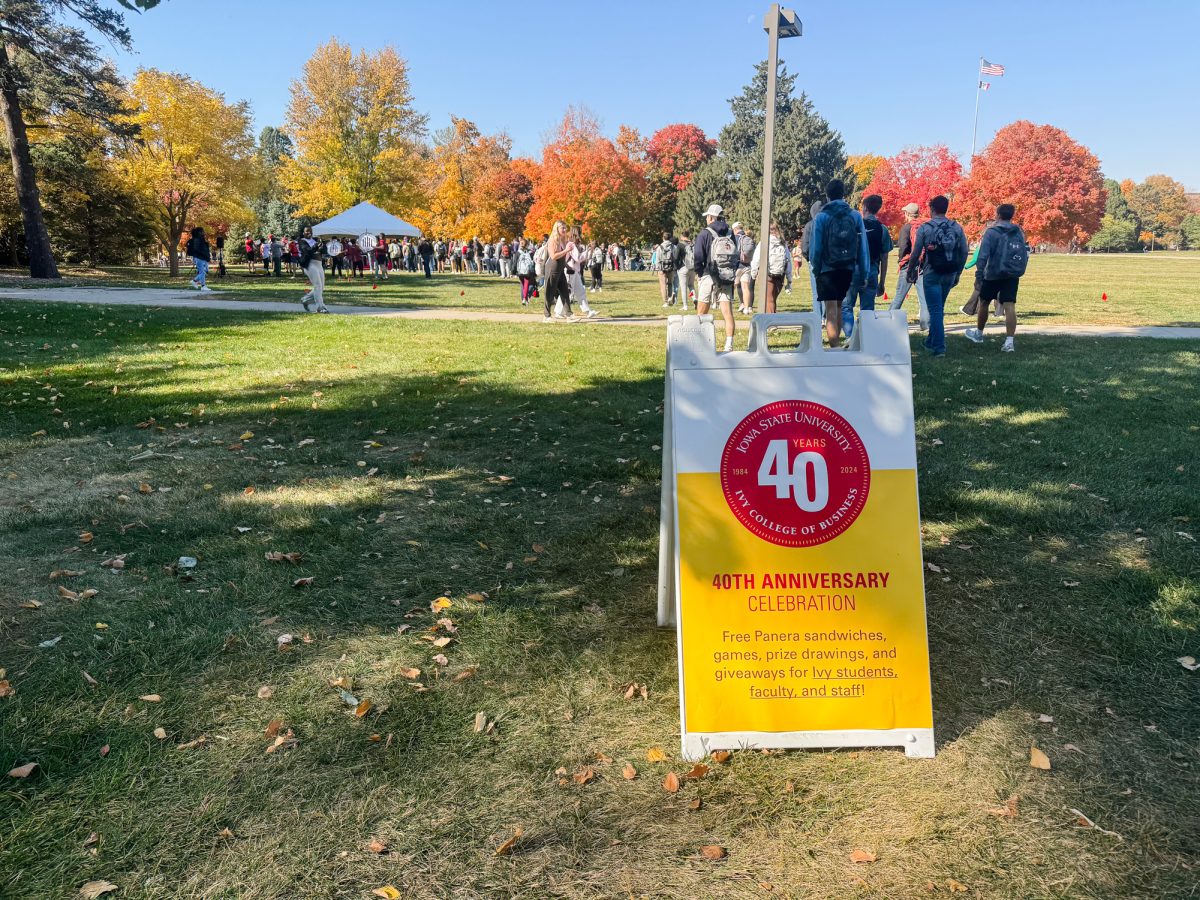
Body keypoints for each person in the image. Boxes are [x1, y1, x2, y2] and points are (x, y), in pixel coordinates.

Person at [807, 179, 869, 346]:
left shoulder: (821, 217)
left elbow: (816, 248)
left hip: (827, 268)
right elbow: (863, 247)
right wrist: (864, 272)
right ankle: (839, 346)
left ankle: (834, 348)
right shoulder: (855, 215)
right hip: (847, 267)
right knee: (840, 306)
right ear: (843, 194)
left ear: (827, 195)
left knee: (830, 310)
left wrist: (816, 268)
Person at [905, 194, 968, 356]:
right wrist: (958, 272)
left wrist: (911, 270)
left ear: (932, 209)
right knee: (938, 308)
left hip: (932, 272)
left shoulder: (925, 228)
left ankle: (939, 347)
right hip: (950, 272)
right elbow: (964, 251)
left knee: (935, 310)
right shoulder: (956, 227)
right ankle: (930, 341)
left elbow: (916, 252)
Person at [963, 203, 1027, 352]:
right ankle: (1009, 341)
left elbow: (983, 255)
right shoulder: (1018, 231)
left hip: (992, 273)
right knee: (1009, 305)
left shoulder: (991, 232)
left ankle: (979, 333)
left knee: (984, 302)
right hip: (1011, 273)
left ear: (998, 215)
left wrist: (979, 274)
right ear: (1012, 215)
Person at [841, 194, 893, 338]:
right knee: (867, 310)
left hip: (852, 271)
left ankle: (850, 338)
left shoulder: (852, 226)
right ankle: (865, 339)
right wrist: (882, 282)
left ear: (864, 207)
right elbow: (885, 257)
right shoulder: (882, 230)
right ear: (878, 209)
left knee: (846, 306)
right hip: (871, 271)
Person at [693, 204, 739, 351]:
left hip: (708, 274)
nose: (707, 219)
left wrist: (699, 273)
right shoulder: (730, 233)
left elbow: (698, 256)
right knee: (727, 312)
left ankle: (699, 342)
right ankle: (729, 343)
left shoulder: (704, 233)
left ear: (711, 217)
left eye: (707, 216)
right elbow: (735, 254)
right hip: (726, 275)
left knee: (701, 311)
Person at [889, 203, 929, 330]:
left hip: (907, 266)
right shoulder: (925, 227)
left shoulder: (906, 228)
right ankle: (925, 325)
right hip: (922, 266)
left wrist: (901, 261)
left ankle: (888, 321)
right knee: (924, 300)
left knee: (899, 297)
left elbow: (903, 247)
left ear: (907, 214)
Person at [750, 222, 790, 314]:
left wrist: (753, 273)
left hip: (767, 273)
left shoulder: (764, 242)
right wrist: (789, 278)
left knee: (769, 299)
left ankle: (771, 322)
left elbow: (756, 259)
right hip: (780, 274)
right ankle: (771, 318)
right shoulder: (783, 243)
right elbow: (788, 260)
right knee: (773, 299)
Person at [564, 226, 598, 318]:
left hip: (574, 271)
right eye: (580, 232)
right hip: (570, 271)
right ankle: (559, 311)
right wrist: (587, 251)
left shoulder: (573, 244)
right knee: (568, 292)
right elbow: (578, 258)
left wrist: (589, 251)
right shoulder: (571, 244)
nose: (581, 234)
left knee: (580, 291)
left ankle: (587, 311)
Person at [542, 221, 572, 322]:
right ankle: (546, 316)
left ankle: (569, 315)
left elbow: (563, 257)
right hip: (552, 269)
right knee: (549, 292)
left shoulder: (563, 239)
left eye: (565, 228)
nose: (565, 230)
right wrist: (566, 250)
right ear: (557, 229)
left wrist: (567, 266)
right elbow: (554, 256)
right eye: (562, 228)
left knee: (565, 292)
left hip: (560, 269)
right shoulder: (552, 240)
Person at [800, 201, 824, 316]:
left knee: (816, 292)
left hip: (814, 261)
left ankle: (818, 316)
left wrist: (808, 258)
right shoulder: (827, 223)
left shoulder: (809, 225)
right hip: (827, 261)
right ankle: (826, 315)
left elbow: (805, 246)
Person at [297, 227, 329, 313]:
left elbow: (324, 251)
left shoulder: (315, 240)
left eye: (310, 231)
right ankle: (320, 307)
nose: (309, 232)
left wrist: (323, 246)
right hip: (310, 264)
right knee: (317, 285)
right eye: (307, 231)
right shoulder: (302, 241)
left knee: (321, 287)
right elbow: (307, 251)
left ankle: (305, 299)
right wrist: (316, 246)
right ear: (303, 232)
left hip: (319, 264)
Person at [732, 223, 755, 314]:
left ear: (734, 229)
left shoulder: (734, 238)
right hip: (747, 266)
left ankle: (728, 307)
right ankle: (746, 308)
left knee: (731, 287)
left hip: (737, 266)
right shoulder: (748, 239)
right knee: (745, 287)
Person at [186, 226, 212, 293]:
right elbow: (197, 249)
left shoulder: (201, 239)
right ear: (199, 232)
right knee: (202, 272)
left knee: (205, 271)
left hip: (203, 258)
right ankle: (202, 285)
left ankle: (198, 283)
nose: (203, 232)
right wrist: (203, 254)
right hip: (199, 258)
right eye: (202, 231)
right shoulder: (197, 240)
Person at [657, 231, 678, 308]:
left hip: (662, 268)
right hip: (671, 267)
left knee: (663, 285)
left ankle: (665, 302)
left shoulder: (659, 247)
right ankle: (670, 297)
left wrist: (658, 268)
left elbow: (658, 258)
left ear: (663, 238)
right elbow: (675, 258)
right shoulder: (674, 247)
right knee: (670, 284)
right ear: (670, 238)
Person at [676, 230, 694, 311]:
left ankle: (685, 305)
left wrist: (677, 267)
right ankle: (694, 299)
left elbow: (676, 257)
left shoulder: (680, 245)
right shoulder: (692, 244)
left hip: (683, 267)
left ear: (682, 236)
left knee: (683, 288)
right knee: (691, 286)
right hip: (692, 267)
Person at [516, 238, 537, 305]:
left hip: (520, 271)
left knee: (523, 285)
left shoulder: (518, 252)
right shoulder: (531, 253)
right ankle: (525, 299)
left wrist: (513, 271)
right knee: (528, 285)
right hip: (528, 272)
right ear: (527, 244)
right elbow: (534, 262)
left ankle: (524, 299)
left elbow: (514, 262)